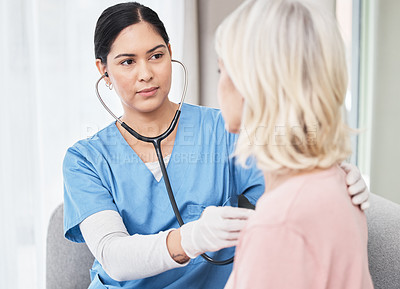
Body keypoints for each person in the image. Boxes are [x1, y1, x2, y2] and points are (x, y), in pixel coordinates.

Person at [63, 2, 370, 288]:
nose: (146, 73)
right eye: (127, 62)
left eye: (156, 56)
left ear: (170, 53)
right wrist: (192, 237)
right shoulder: (85, 159)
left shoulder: (225, 130)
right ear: (104, 70)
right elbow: (113, 256)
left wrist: (339, 177)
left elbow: (294, 191)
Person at [214, 0, 374, 288]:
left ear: (252, 85)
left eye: (221, 70)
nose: (220, 84)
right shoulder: (338, 182)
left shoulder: (279, 225)